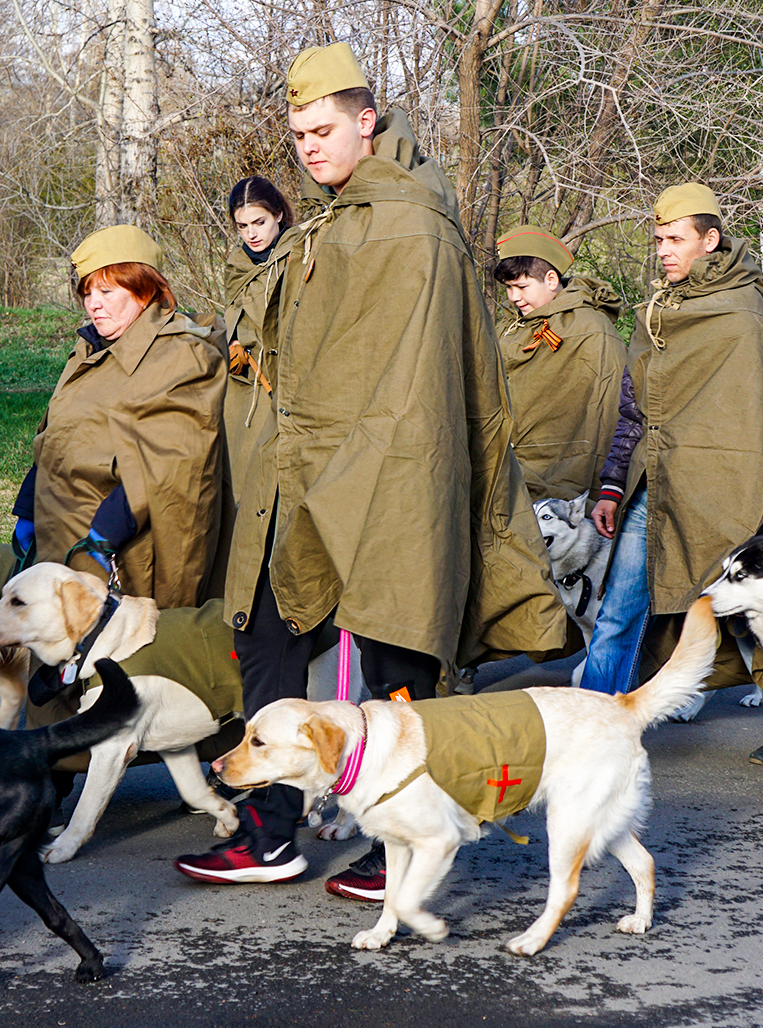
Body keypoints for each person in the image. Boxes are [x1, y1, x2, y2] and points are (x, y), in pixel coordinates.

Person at [175, 43, 569, 899]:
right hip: (303, 478)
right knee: (268, 638)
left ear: (367, 120)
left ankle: (408, 845)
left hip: (387, 476)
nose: (309, 148)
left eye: (323, 130)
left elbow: (414, 386)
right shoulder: (336, 218)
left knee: (398, 658)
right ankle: (270, 832)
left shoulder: (410, 225)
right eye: (297, 135)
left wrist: (354, 458)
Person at [583, 183, 763, 764]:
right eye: (657, 240)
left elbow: (759, 421)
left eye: (675, 239)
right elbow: (634, 408)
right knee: (621, 610)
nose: (663, 250)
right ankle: (585, 724)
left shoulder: (742, 319)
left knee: (743, 608)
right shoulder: (657, 313)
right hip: (653, 488)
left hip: (725, 494)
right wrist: (613, 485)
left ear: (710, 241)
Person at [12, 224, 226, 609]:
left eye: (107, 291)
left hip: (118, 555)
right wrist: (28, 508)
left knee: (110, 662)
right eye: (87, 292)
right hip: (58, 541)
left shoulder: (183, 355)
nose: (94, 303)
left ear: (145, 290)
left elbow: (177, 464)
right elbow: (56, 430)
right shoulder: (90, 349)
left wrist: (108, 530)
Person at [491, 226, 625, 502]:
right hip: (504, 465)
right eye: (508, 288)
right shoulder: (511, 325)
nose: (514, 297)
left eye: (522, 287)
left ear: (551, 280)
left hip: (564, 485)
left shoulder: (590, 328)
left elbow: (608, 409)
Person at [222, 176, 297, 549]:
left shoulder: (298, 256)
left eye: (260, 222)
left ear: (279, 215)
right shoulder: (238, 263)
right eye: (242, 226)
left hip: (282, 388)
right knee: (241, 492)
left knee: (281, 493)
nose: (251, 234)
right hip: (241, 391)